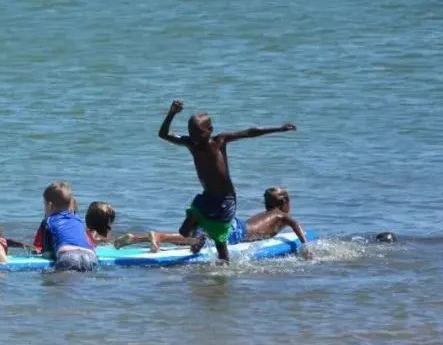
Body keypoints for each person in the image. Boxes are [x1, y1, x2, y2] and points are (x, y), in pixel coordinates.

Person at [158, 99, 296, 262]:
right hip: (207, 196)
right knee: (184, 231)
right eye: (191, 133)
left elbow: (251, 132)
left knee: (220, 244)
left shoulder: (219, 141)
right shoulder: (191, 144)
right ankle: (203, 235)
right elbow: (163, 134)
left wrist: (279, 128)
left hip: (225, 199)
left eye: (198, 133)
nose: (194, 137)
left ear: (210, 130)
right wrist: (172, 113)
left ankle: (223, 277)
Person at [115, 187, 307, 252]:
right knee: (196, 240)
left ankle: (137, 238)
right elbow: (296, 224)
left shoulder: (266, 214)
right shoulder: (281, 215)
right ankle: (159, 236)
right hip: (238, 232)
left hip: (234, 223)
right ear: (285, 203)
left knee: (192, 236)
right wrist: (305, 245)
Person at [32, 182, 98, 271]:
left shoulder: (48, 221)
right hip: (90, 256)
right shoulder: (77, 219)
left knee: (54, 281)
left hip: (68, 256)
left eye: (44, 205)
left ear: (50, 205)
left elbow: (47, 254)